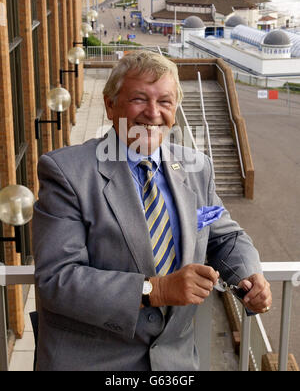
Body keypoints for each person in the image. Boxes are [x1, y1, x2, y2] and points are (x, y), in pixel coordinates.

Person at [32, 51, 272, 371]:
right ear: (109, 104)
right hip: (91, 361)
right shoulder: (66, 172)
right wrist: (156, 290)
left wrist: (248, 274)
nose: (153, 113)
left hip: (174, 363)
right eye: (139, 99)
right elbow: (57, 280)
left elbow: (223, 236)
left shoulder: (197, 168)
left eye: (165, 102)